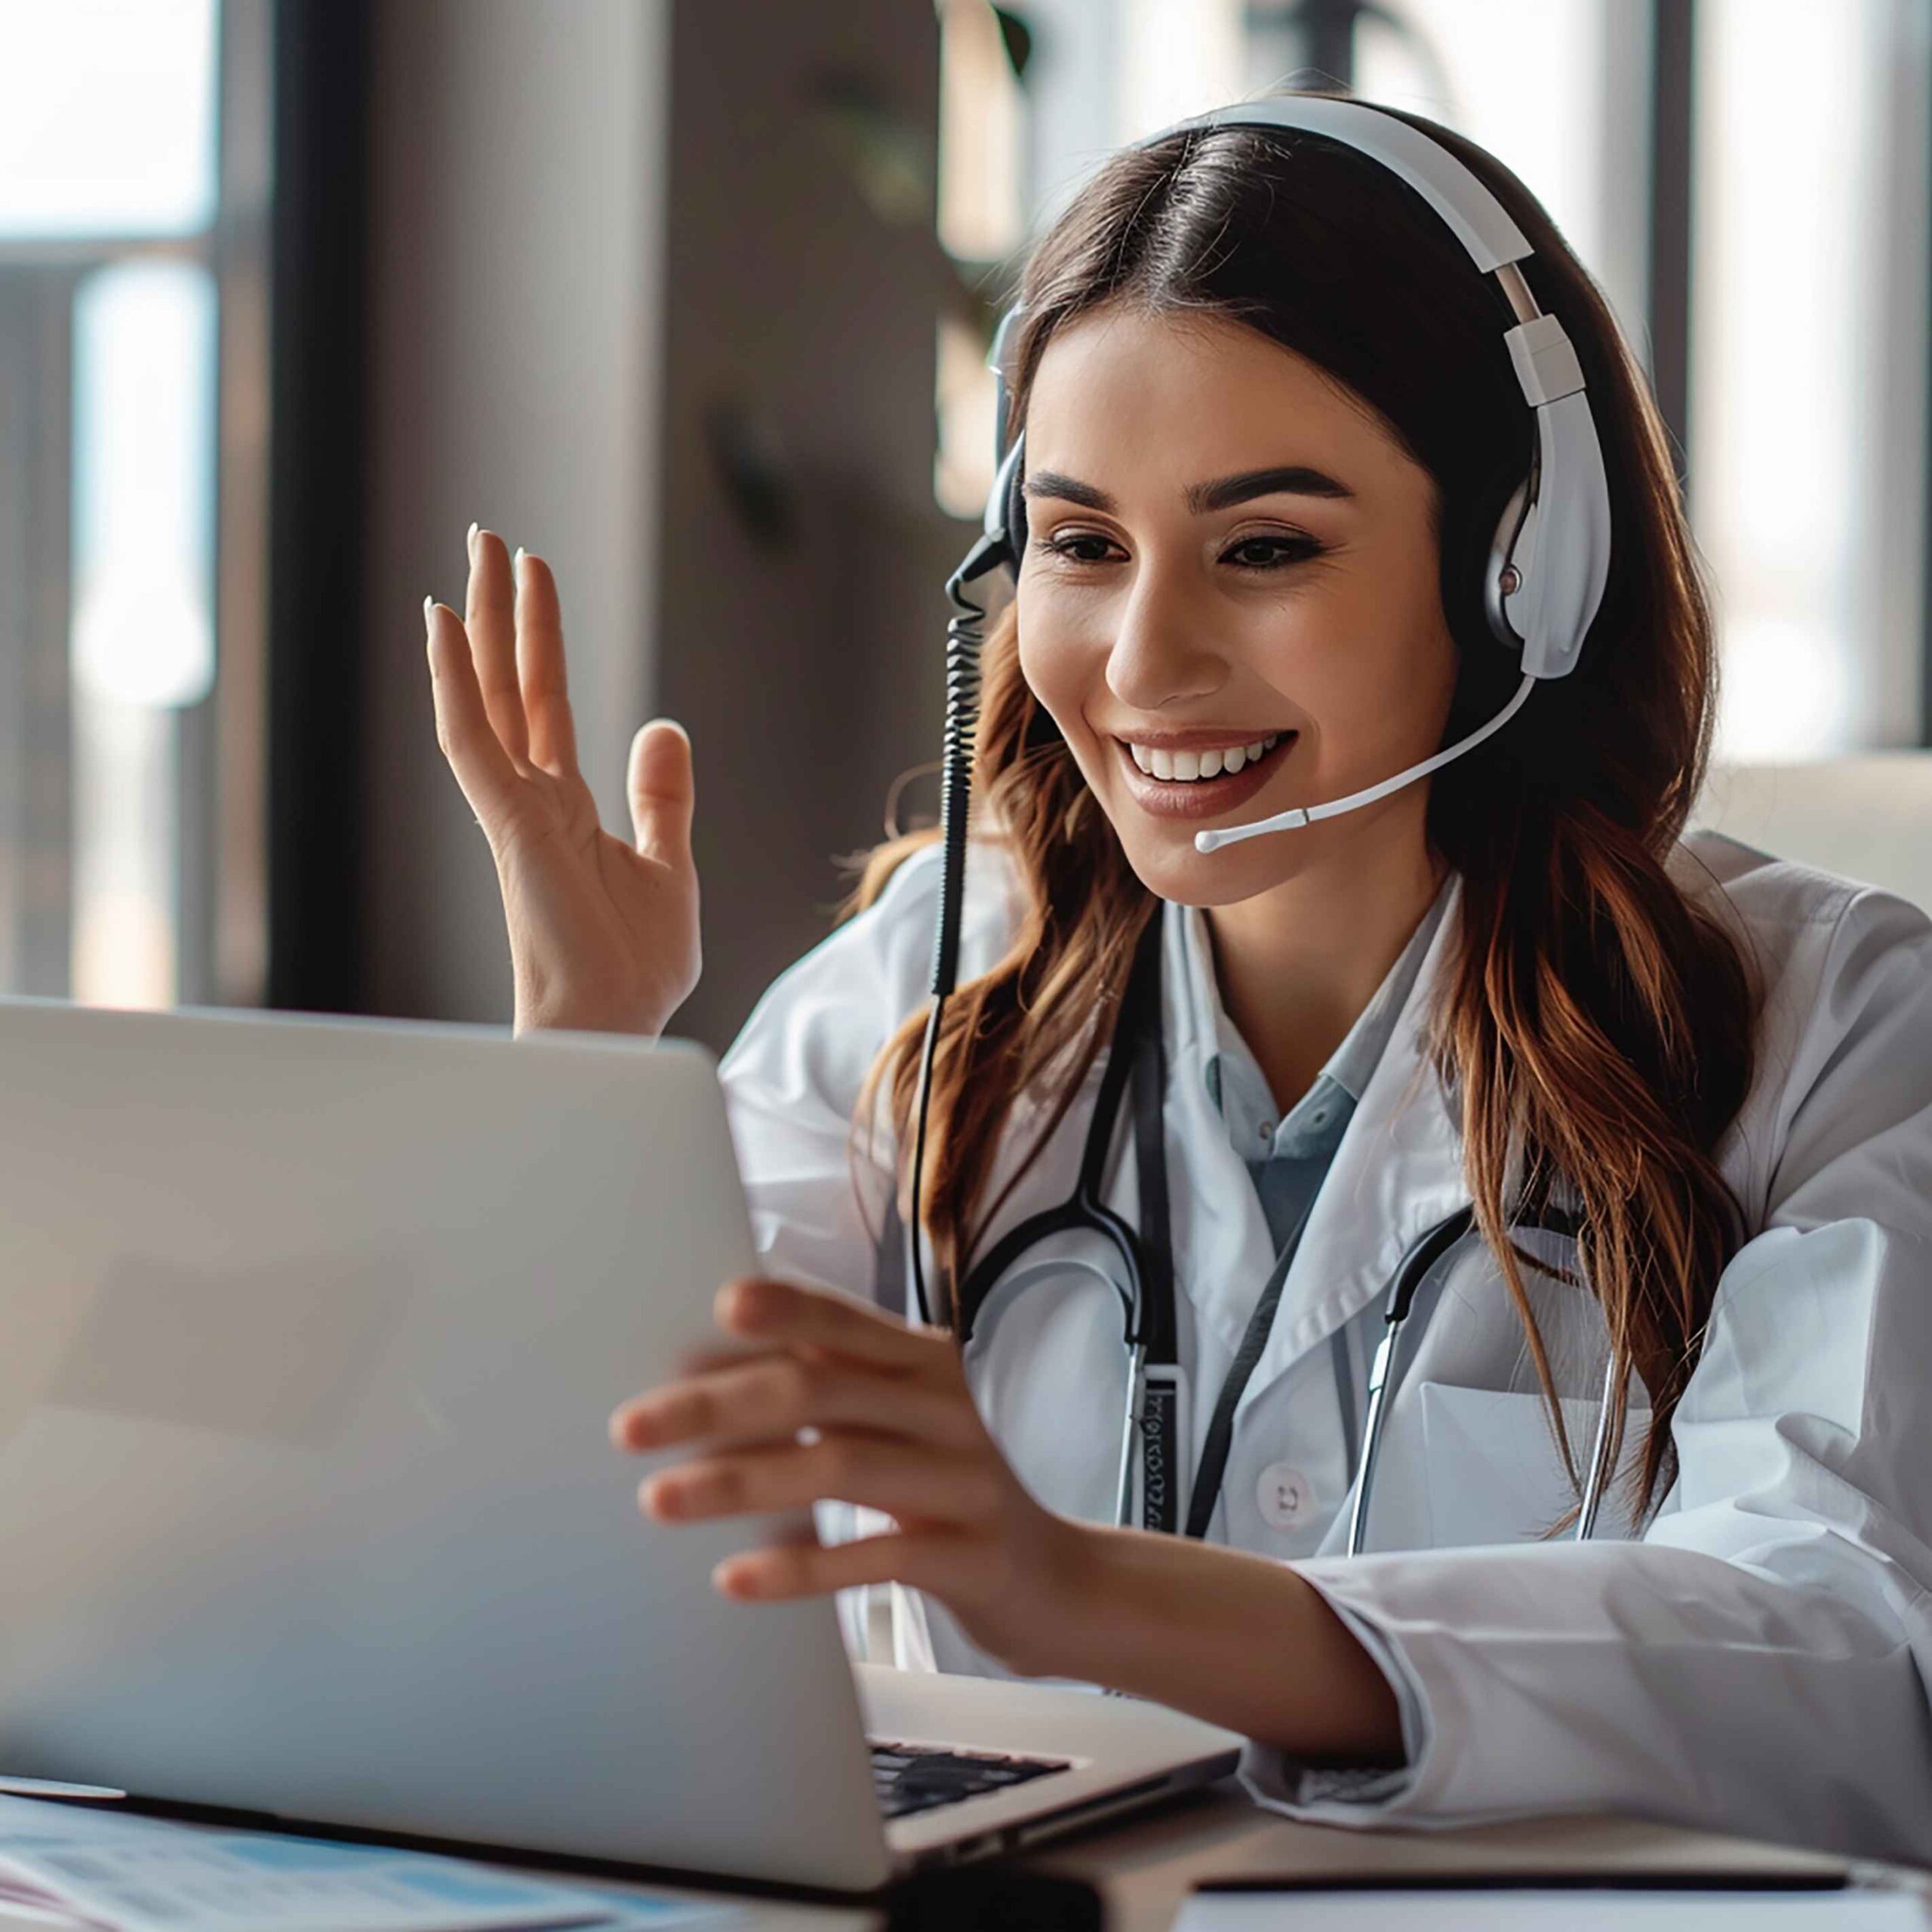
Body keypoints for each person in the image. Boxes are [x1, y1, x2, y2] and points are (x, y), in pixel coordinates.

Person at [423, 95, 1932, 1863]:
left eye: (1265, 546)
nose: (1144, 661)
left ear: (1524, 570)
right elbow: (560, 1554)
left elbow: (1839, 1655)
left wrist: (1075, 1587)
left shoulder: (1832, 1026)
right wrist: (581, 1082)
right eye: (1078, 544)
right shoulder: (916, 1007)